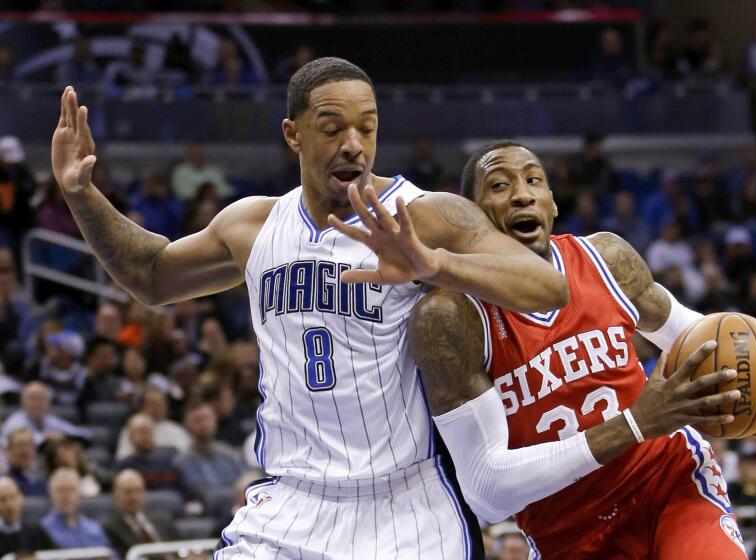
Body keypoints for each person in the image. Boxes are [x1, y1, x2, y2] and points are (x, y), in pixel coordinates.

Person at [52, 56, 569, 558]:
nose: (353, 146)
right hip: (292, 501)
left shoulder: (424, 216)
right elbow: (152, 276)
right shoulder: (252, 225)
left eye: (367, 129)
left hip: (406, 505)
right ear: (292, 134)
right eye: (331, 128)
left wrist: (432, 265)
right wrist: (81, 194)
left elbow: (547, 287)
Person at [409, 139, 756, 559]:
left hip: (666, 483)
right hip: (568, 533)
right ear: (472, 219)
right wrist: (634, 423)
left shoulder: (605, 260)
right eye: (499, 186)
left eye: (534, 180)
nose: (523, 193)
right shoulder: (451, 318)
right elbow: (487, 493)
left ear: (552, 204)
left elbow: (694, 334)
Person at [101, 469, 178, 556]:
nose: (134, 497)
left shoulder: (163, 520)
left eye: (138, 491)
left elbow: (181, 548)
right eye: (128, 492)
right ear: (115, 494)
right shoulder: (109, 527)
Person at [175, 403, 243, 499]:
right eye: (197, 421)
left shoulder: (229, 454)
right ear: (187, 425)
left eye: (206, 419)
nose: (203, 425)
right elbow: (199, 491)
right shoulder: (182, 460)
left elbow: (244, 480)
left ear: (215, 421)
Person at [39, 468, 111, 550]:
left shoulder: (94, 528)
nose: (66, 496)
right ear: (51, 495)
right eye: (60, 490)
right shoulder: (43, 530)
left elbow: (108, 554)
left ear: (79, 495)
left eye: (71, 490)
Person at [1, 382, 91, 446]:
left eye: (41, 398)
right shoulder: (15, 422)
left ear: (49, 403)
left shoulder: (50, 420)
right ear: (22, 403)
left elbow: (83, 434)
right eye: (32, 399)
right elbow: (10, 444)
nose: (37, 403)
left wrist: (63, 437)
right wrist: (48, 437)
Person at [0, 476, 54, 556]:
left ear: (21, 498)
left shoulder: (35, 531)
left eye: (13, 497)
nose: (9, 505)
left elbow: (56, 554)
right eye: (3, 499)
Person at [4, 427, 47, 496]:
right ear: (9, 450)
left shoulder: (43, 476)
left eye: (29, 445)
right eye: (20, 445)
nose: (25, 450)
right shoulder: (6, 482)